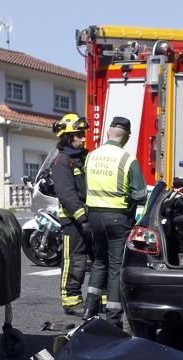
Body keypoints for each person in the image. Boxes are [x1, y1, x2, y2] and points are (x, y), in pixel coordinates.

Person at [82, 116, 146, 328]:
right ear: (126, 136)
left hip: (94, 217)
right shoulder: (128, 159)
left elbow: (85, 186)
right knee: (116, 266)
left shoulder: (91, 156)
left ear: (108, 133)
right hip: (118, 218)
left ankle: (89, 310)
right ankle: (113, 318)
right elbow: (140, 195)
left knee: (99, 261)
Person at [50, 113, 91, 316]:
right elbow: (66, 194)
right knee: (74, 260)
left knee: (99, 260)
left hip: (90, 219)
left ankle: (99, 299)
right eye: (79, 134)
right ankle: (71, 300)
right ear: (67, 137)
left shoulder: (85, 157)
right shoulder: (62, 162)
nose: (84, 138)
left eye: (83, 134)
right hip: (73, 221)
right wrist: (83, 218)